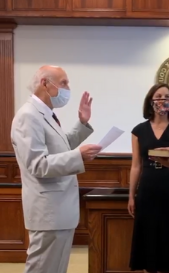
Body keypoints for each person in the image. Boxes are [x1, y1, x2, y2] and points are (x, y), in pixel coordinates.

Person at [11, 65, 102, 273]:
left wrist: (82, 123)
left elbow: (61, 147)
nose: (67, 88)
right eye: (63, 83)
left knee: (55, 269)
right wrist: (79, 156)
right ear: (45, 83)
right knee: (42, 269)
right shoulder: (29, 116)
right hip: (48, 210)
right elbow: (38, 164)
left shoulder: (46, 114)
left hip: (59, 210)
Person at [128, 83, 169, 273]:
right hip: (148, 189)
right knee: (148, 236)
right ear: (150, 101)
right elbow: (136, 164)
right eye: (158, 97)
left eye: (166, 97)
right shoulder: (138, 130)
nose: (162, 100)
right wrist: (132, 195)